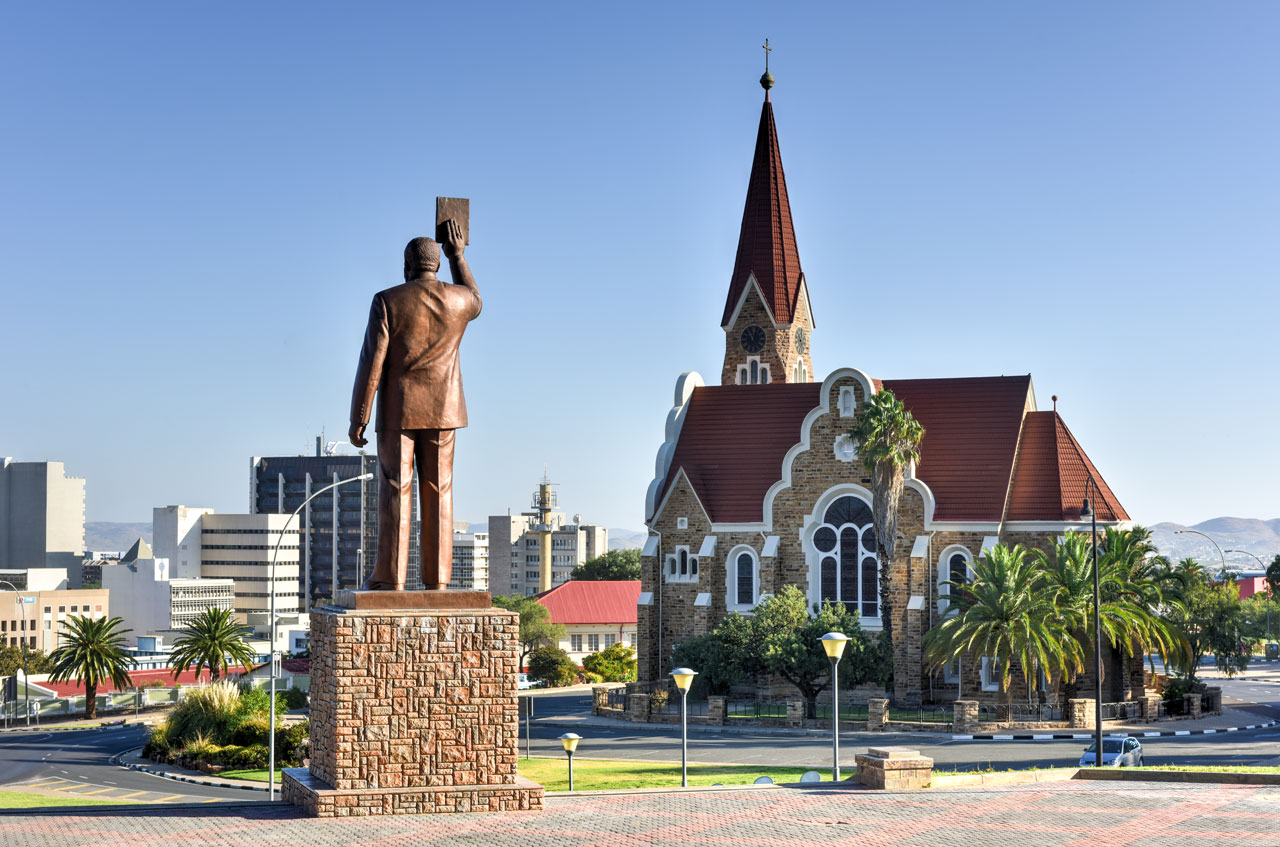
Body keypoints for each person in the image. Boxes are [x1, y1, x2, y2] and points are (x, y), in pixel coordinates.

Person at [348, 219, 480, 590]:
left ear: (407, 266)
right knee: (440, 490)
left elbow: (371, 362)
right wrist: (458, 257)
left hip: (399, 411)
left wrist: (359, 417)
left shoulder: (388, 300)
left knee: (395, 487)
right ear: (437, 264)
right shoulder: (460, 300)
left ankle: (390, 578)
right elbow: (476, 298)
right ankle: (438, 580)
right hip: (444, 410)